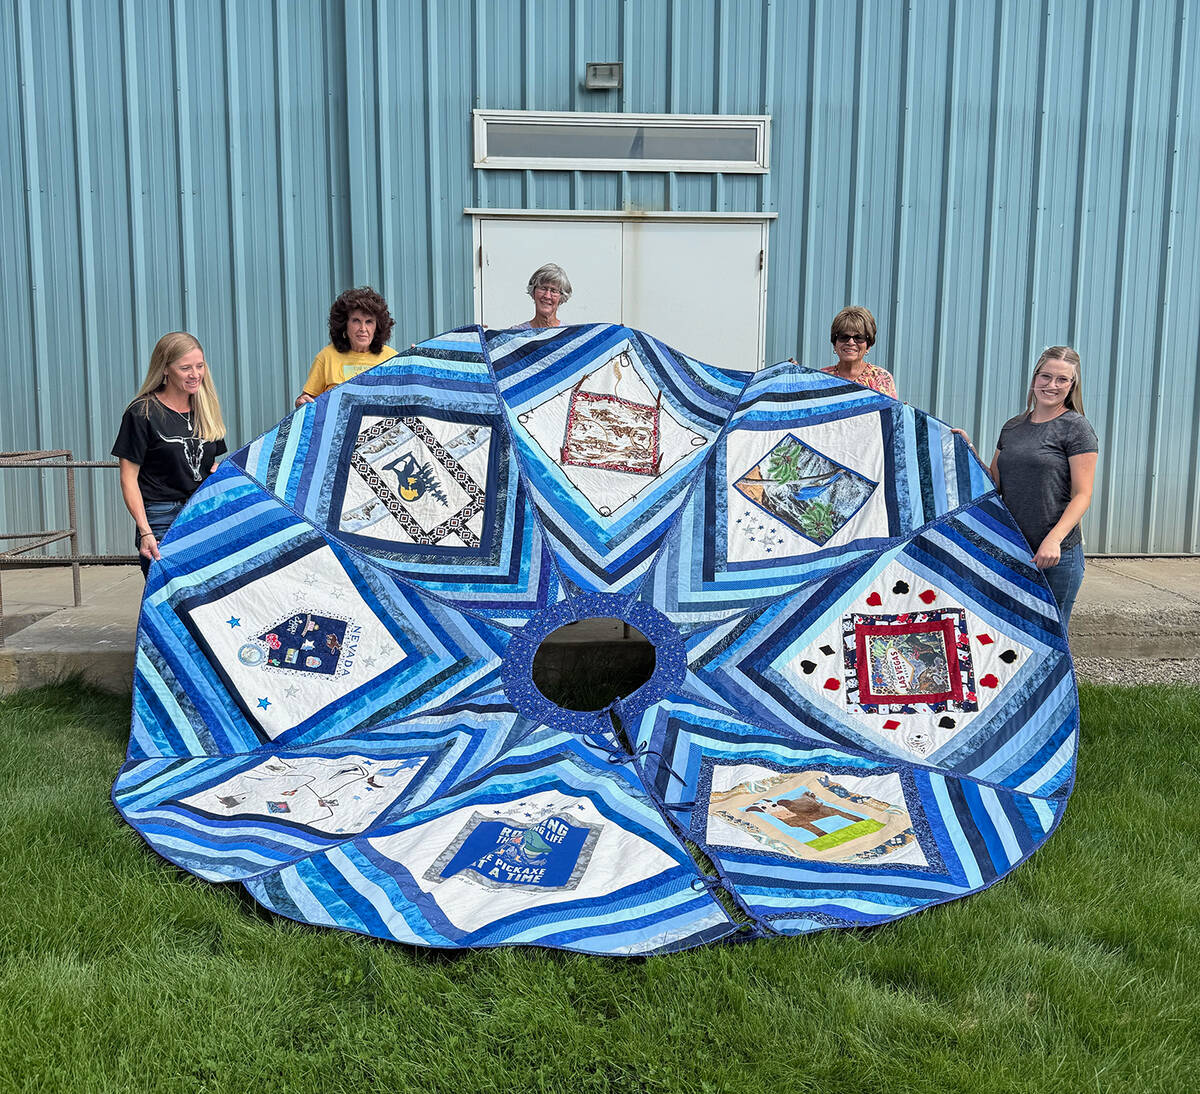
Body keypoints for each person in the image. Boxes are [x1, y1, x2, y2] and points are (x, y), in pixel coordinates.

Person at [990, 347, 1098, 629]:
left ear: (1072, 386)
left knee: (1050, 636)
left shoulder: (1076, 428)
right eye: (1046, 376)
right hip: (1013, 548)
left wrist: (1054, 539)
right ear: (1034, 378)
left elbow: (1083, 495)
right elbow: (994, 484)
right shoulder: (1013, 427)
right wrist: (964, 450)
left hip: (1056, 557)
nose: (1051, 385)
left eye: (1062, 380)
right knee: (1009, 633)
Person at [113, 332, 228, 578]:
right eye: (185, 368)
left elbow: (210, 463)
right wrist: (145, 531)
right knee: (168, 595)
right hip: (160, 516)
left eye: (200, 366)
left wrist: (220, 471)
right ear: (165, 369)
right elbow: (128, 478)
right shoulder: (142, 413)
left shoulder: (206, 409)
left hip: (202, 511)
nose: (195, 374)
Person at [294, 286, 397, 406]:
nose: (363, 329)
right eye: (356, 321)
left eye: (369, 322)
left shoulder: (392, 358)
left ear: (377, 326)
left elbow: (409, 397)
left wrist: (416, 358)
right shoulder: (326, 357)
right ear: (344, 324)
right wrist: (300, 402)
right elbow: (306, 401)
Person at [821, 305, 898, 398]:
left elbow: (892, 411)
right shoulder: (821, 377)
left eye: (859, 337)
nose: (850, 342)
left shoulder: (881, 378)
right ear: (835, 342)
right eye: (844, 337)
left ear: (868, 345)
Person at [512, 263, 572, 329]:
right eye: (543, 288)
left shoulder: (570, 334)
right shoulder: (515, 334)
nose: (547, 296)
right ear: (533, 291)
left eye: (553, 291)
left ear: (561, 297)